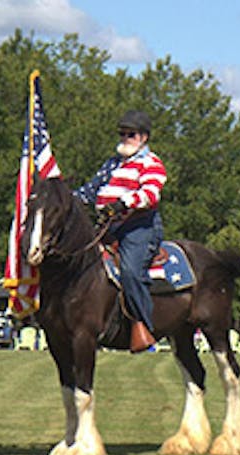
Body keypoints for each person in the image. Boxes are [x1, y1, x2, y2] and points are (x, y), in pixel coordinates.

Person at [74, 110, 166, 353]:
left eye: (131, 134)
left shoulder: (151, 163)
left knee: (129, 272)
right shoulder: (112, 164)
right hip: (108, 227)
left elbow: (150, 195)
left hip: (139, 228)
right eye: (122, 133)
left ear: (144, 137)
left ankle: (145, 328)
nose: (125, 138)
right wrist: (64, 200)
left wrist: (123, 202)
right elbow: (89, 190)